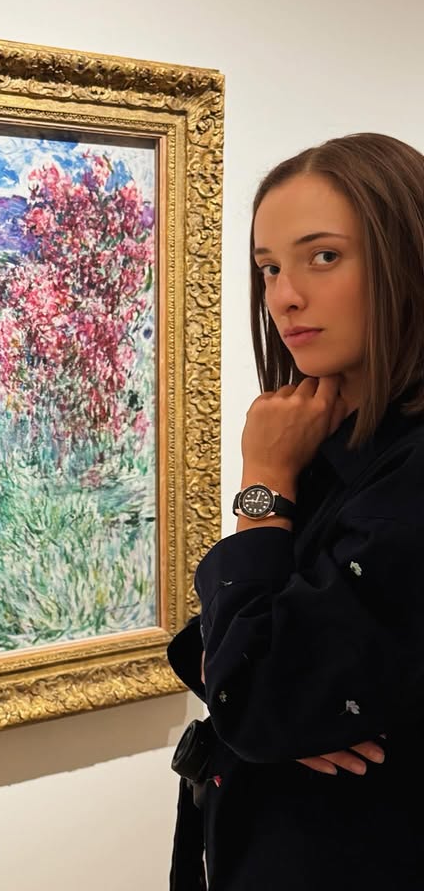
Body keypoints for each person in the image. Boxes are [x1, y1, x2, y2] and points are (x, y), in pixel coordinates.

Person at [167, 132, 424, 890]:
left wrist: (265, 480)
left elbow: (250, 691)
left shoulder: (405, 475)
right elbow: (215, 653)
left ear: (409, 258)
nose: (284, 296)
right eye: (271, 268)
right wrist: (265, 694)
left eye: (324, 256)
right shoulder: (335, 443)